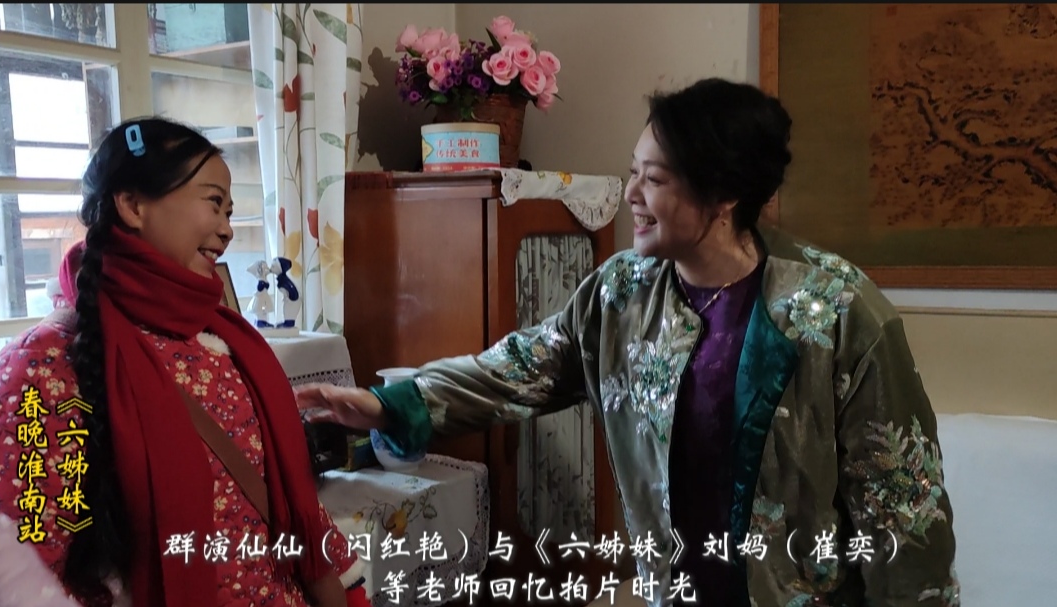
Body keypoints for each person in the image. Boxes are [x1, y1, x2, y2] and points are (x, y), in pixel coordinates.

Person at [294, 78, 961, 607]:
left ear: (724, 194)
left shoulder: (834, 310)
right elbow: (521, 367)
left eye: (656, 179)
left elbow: (903, 509)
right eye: (633, 171)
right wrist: (390, 404)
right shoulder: (622, 293)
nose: (631, 195)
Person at [0, 118, 367, 607]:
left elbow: (289, 501)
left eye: (230, 211)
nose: (227, 229)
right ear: (133, 204)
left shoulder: (226, 341)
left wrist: (348, 591)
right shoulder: (42, 367)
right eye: (213, 202)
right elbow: (18, 573)